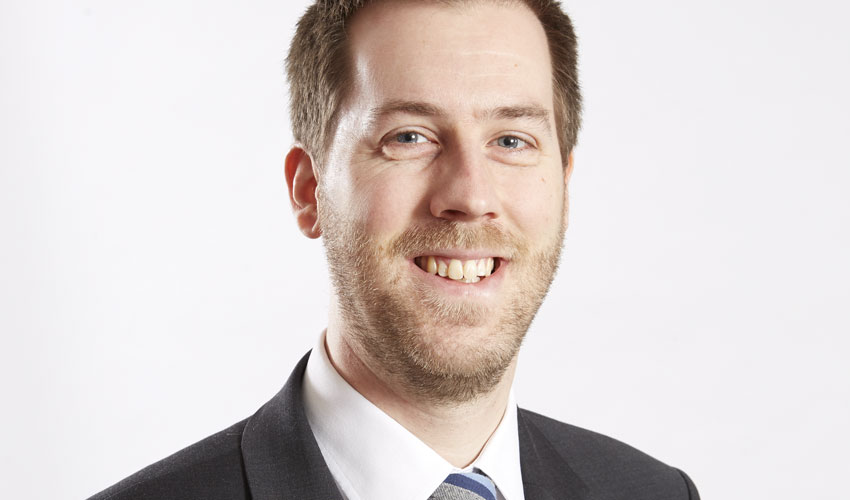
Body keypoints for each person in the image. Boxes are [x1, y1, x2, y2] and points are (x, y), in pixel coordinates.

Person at [90, 0, 700, 499]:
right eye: (409, 137)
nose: (470, 195)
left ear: (564, 183)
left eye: (512, 140)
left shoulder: (656, 493)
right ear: (309, 191)